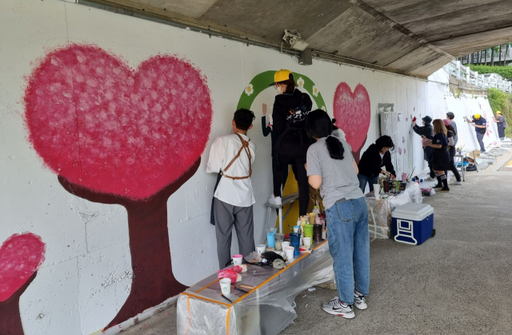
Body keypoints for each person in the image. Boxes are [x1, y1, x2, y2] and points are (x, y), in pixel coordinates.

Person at [306, 110, 369, 319]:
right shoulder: (341, 142)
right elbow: (356, 170)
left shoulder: (314, 149)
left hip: (340, 207)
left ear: (311, 130)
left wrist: (309, 169)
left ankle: (344, 304)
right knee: (360, 251)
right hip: (359, 201)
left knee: (342, 255)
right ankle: (358, 295)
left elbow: (315, 183)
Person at [206, 109, 256, 268]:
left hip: (225, 195)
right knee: (247, 239)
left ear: (233, 122)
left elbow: (213, 167)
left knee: (223, 239)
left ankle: (226, 277)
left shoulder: (222, 140)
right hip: (245, 196)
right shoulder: (251, 146)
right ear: (251, 126)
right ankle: (250, 278)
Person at [270, 69, 312, 215]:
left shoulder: (279, 102)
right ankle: (303, 217)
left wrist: (272, 126)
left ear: (282, 84)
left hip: (286, 145)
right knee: (303, 182)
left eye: (276, 84)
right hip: (303, 145)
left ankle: (276, 195)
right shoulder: (304, 98)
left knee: (278, 165)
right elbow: (307, 114)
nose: (276, 87)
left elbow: (278, 128)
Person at [423, 119, 450, 192]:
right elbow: (435, 142)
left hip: (441, 154)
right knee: (434, 169)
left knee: (440, 170)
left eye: (434, 125)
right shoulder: (440, 134)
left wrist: (428, 144)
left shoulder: (440, 134)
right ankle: (439, 183)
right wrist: (427, 140)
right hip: (438, 154)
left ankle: (446, 186)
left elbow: (439, 145)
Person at [443, 119, 462, 185]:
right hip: (451, 150)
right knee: (451, 166)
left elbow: (451, 143)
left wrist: (443, 144)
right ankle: (458, 180)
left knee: (445, 166)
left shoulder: (449, 133)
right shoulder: (449, 131)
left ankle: (444, 183)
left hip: (450, 150)